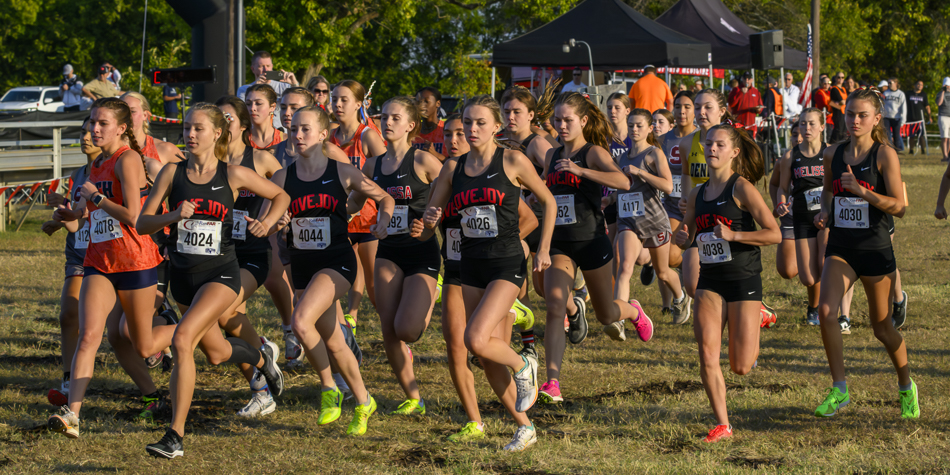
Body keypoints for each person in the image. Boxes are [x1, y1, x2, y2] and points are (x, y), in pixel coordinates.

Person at [137, 102, 290, 459]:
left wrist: (266, 223)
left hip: (221, 273)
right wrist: (174, 214)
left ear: (217, 133)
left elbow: (280, 195)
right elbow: (142, 223)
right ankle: (261, 355)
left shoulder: (232, 175)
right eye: (187, 128)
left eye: (198, 129)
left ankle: (174, 436)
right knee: (219, 353)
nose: (190, 135)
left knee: (183, 339)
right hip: (184, 277)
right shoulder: (171, 174)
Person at [422, 94, 556, 451]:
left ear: (496, 126)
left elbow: (548, 201)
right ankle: (524, 426)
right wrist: (430, 218)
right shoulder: (453, 168)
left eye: (481, 122)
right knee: (485, 354)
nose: (472, 128)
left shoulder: (512, 159)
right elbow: (429, 217)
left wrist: (542, 248)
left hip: (507, 262)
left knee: (475, 339)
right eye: (468, 122)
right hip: (470, 265)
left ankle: (524, 362)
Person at [46, 98, 169, 440]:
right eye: (91, 123)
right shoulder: (96, 163)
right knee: (90, 336)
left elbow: (133, 215)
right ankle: (72, 415)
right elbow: (87, 214)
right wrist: (68, 215)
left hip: (136, 262)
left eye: (101, 124)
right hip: (99, 262)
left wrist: (96, 199)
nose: (94, 129)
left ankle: (189, 328)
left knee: (139, 344)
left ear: (121, 127)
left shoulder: (127, 160)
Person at [273, 104, 393, 434]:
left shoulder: (341, 171)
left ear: (323, 134)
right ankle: (364, 399)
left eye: (305, 129)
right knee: (335, 341)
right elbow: (273, 221)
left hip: (336, 263)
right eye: (293, 128)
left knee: (300, 321)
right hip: (302, 265)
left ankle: (329, 388)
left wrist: (382, 223)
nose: (297, 135)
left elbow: (385, 199)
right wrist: (279, 221)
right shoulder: (283, 177)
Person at [537, 92, 654, 405]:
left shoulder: (592, 152)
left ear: (583, 121)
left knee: (606, 314)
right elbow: (549, 194)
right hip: (560, 243)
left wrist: (582, 172)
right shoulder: (550, 156)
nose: (561, 126)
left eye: (568, 120)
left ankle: (633, 310)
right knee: (554, 306)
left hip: (591, 240)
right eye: (557, 120)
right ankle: (552, 382)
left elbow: (623, 181)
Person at [811, 87, 919, 421]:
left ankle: (906, 385)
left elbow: (900, 207)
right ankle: (839, 389)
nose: (854, 120)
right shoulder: (833, 153)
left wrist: (865, 193)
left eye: (861, 115)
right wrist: (825, 212)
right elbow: (829, 190)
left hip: (875, 249)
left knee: (882, 328)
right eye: (849, 114)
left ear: (876, 119)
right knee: (827, 312)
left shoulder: (884, 155)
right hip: (842, 247)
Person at [673, 123, 781, 443]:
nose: (712, 149)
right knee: (707, 354)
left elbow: (773, 233)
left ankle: (758, 313)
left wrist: (735, 235)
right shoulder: (698, 193)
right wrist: (682, 237)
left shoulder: (742, 188)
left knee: (741, 367)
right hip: (710, 280)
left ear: (734, 152)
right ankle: (723, 424)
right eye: (708, 144)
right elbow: (687, 236)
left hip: (743, 279)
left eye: (720, 145)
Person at [361, 96, 443, 416]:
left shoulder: (422, 161)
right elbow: (354, 201)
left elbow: (449, 188)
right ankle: (413, 397)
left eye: (396, 118)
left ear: (410, 126)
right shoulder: (373, 165)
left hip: (421, 250)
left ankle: (433, 288)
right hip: (388, 251)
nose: (388, 122)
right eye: (384, 117)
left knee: (407, 330)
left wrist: (433, 216)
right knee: (389, 330)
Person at [214, 95, 288, 416]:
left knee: (226, 313)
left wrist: (274, 220)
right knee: (229, 324)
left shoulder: (261, 161)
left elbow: (286, 194)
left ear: (243, 124)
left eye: (226, 118)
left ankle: (261, 355)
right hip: (217, 252)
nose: (219, 124)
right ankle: (261, 385)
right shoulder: (208, 163)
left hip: (252, 253)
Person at [607, 108, 688, 324]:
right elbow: (623, 187)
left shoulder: (654, 154)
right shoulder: (623, 156)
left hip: (654, 220)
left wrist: (641, 172)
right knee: (625, 267)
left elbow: (669, 186)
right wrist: (610, 199)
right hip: (628, 220)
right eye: (631, 125)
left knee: (663, 272)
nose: (634, 129)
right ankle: (619, 320)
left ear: (649, 129)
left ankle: (680, 298)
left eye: (639, 125)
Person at [775, 109, 853, 328]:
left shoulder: (831, 153)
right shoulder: (791, 156)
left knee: (826, 266)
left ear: (821, 127)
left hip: (827, 218)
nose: (806, 128)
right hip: (801, 218)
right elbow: (782, 188)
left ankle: (835, 313)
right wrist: (780, 203)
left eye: (811, 124)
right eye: (802, 124)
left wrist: (830, 211)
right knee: (809, 278)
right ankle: (816, 306)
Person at [43, 118, 98, 405]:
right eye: (83, 132)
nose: (87, 137)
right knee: (68, 315)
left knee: (127, 331)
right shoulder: (78, 173)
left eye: (93, 131)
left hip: (107, 255)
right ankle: (68, 379)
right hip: (79, 251)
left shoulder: (116, 168)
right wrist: (61, 211)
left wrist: (79, 212)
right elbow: (78, 216)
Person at [329, 80, 387, 330]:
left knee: (375, 287)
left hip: (367, 221)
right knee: (344, 278)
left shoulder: (367, 135)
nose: (338, 104)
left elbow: (387, 173)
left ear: (359, 104)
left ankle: (395, 337)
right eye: (334, 99)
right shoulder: (329, 136)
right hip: (340, 218)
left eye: (344, 99)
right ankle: (345, 329)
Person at [267, 87, 314, 366]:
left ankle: (340, 347)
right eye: (283, 107)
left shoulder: (324, 152)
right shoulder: (271, 154)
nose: (287, 113)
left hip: (316, 235)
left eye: (294, 108)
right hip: (283, 236)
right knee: (296, 292)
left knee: (312, 298)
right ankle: (294, 335)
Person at [660, 91, 696, 323]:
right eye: (677, 107)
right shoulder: (663, 139)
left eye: (687, 107)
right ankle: (685, 273)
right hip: (673, 205)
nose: (681, 111)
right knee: (672, 258)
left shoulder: (703, 137)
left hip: (698, 204)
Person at [245, 84, 284, 152]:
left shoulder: (286, 140)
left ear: (272, 107)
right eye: (248, 104)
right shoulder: (241, 139)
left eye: (258, 103)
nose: (252, 108)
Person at [413, 87, 446, 161]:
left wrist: (435, 154)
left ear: (438, 103)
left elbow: (457, 164)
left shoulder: (446, 130)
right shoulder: (412, 131)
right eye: (418, 102)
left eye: (426, 101)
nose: (421, 105)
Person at [906, 80, 932, 154]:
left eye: (922, 85)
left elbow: (927, 106)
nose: (920, 86)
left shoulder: (924, 94)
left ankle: (923, 150)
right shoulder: (909, 94)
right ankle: (911, 150)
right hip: (910, 118)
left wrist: (929, 116)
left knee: (921, 135)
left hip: (920, 118)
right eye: (919, 84)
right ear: (915, 85)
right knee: (911, 135)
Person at [882, 78, 906, 152]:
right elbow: (881, 105)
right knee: (887, 135)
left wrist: (903, 119)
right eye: (888, 83)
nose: (888, 84)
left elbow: (904, 107)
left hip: (896, 117)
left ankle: (897, 151)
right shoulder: (885, 93)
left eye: (890, 83)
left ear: (896, 83)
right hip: (886, 117)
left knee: (896, 136)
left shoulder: (900, 94)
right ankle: (889, 151)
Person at [828, 73, 848, 143]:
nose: (840, 79)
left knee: (844, 132)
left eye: (842, 77)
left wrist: (844, 101)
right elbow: (842, 102)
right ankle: (831, 148)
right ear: (836, 78)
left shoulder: (843, 89)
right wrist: (846, 101)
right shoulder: (834, 89)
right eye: (839, 77)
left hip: (844, 112)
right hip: (838, 113)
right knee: (838, 132)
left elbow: (844, 101)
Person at [938, 77, 950, 162]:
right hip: (943, 116)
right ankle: (945, 156)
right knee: (944, 137)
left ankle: (948, 155)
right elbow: (939, 103)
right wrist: (943, 91)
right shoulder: (940, 93)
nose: (947, 87)